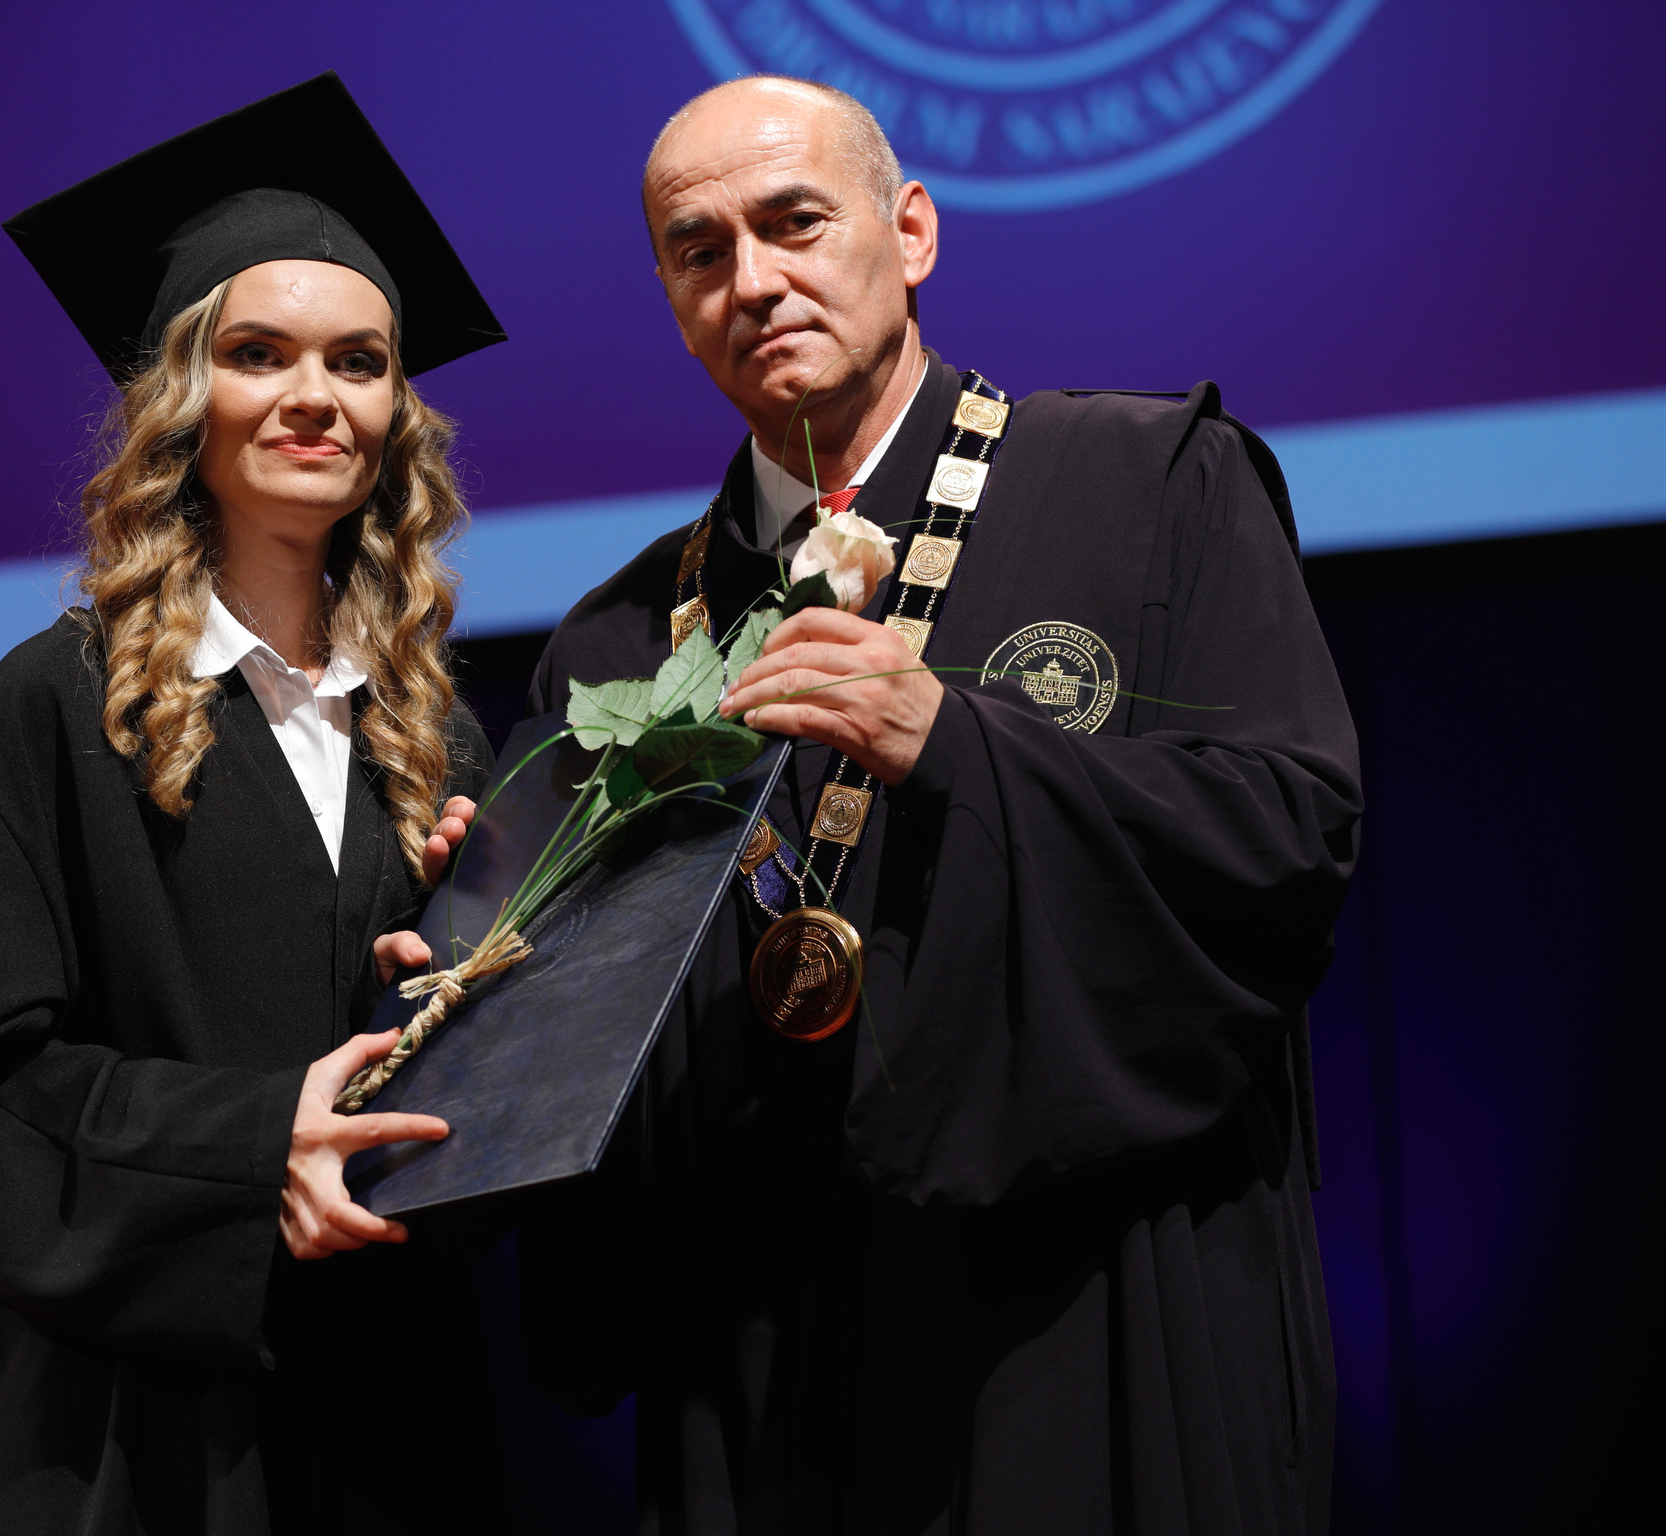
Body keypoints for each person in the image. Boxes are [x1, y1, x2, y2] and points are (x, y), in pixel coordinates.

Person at [519, 76, 1359, 1534]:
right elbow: (613, 1092)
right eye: (700, 251)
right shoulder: (617, 644)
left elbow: (1285, 841)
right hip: (775, 1355)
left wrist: (963, 748)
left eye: (795, 222)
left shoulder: (1147, 485)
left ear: (909, 231)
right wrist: (501, 974)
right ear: (671, 300)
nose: (752, 281)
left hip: (1092, 1307)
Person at [0, 76, 511, 1535]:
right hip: (126, 1436)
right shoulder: (42, 721)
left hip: (374, 1407)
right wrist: (253, 1142)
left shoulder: (432, 740)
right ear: (182, 399)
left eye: (359, 362)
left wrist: (456, 983)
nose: (315, 396)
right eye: (257, 354)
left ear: (397, 414)